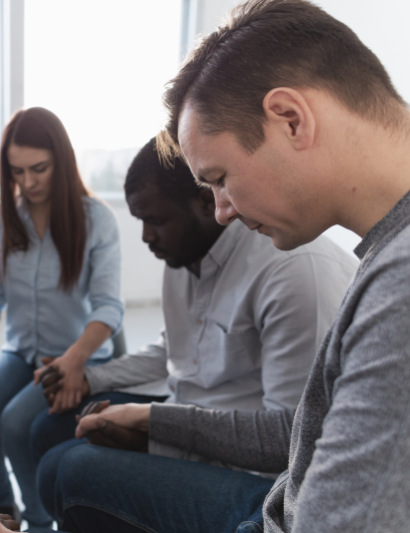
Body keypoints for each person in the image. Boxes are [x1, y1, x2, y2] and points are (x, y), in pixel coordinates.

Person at [37, 0, 410, 532]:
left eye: (218, 178)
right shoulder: (385, 258)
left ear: (290, 119)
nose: (221, 210)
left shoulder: (398, 287)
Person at [31, 136, 357, 520]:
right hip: (194, 425)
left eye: (155, 221)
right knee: (47, 430)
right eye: (140, 221)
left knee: (69, 470)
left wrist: (150, 424)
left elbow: (288, 438)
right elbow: (174, 351)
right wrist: (91, 379)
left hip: (263, 478)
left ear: (206, 202)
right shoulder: (184, 257)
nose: (146, 237)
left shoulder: (292, 272)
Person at [0, 107, 124, 528]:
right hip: (21, 354)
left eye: (38, 169)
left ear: (61, 161)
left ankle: (39, 521)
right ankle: (1, 511)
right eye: (16, 171)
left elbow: (108, 307)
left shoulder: (97, 220)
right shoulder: (3, 218)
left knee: (15, 422)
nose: (27, 182)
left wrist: (75, 361)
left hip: (79, 356)